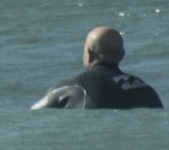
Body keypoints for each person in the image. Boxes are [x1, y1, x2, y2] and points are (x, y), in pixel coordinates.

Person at [34, 25, 162, 110]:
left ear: (89, 54)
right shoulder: (146, 90)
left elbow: (32, 114)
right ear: (122, 55)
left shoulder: (74, 87)